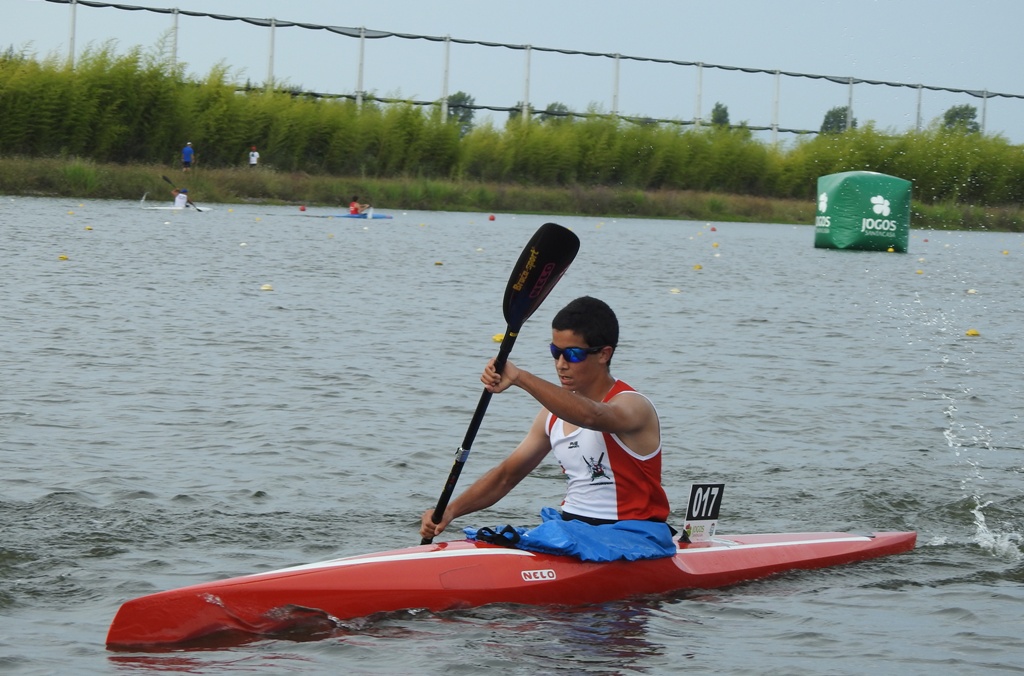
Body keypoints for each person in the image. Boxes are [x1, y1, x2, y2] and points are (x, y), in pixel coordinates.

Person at [420, 296, 670, 542]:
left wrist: (520, 377)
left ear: (604, 354)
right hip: (572, 530)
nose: (561, 364)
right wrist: (451, 512)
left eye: (572, 354)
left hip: (633, 535)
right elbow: (507, 475)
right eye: (555, 351)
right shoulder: (551, 416)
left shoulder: (633, 405)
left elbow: (592, 416)